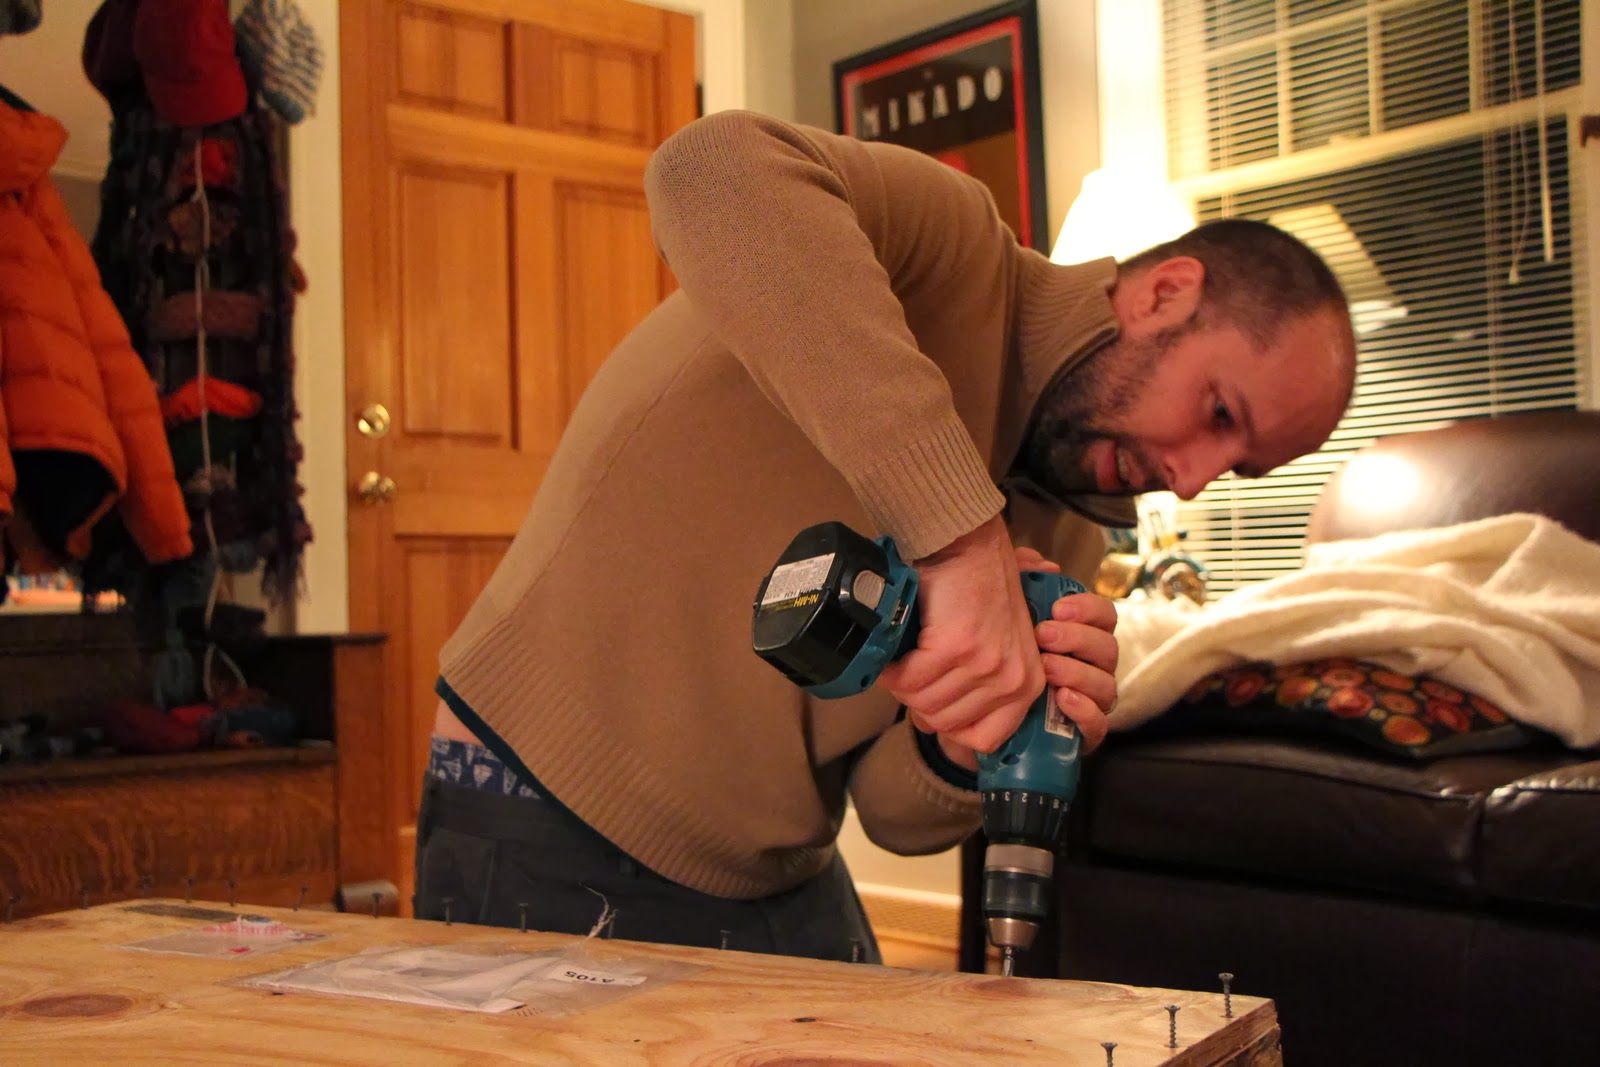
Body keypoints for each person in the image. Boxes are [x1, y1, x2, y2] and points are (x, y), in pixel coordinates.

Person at [416, 110, 1357, 962]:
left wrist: (967, 737)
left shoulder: (1071, 535)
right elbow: (705, 169)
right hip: (536, 799)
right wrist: (960, 540)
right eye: (1219, 413)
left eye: (1237, 468)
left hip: (776, 867)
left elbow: (893, 811)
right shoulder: (950, 244)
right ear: (1164, 293)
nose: (1190, 480)